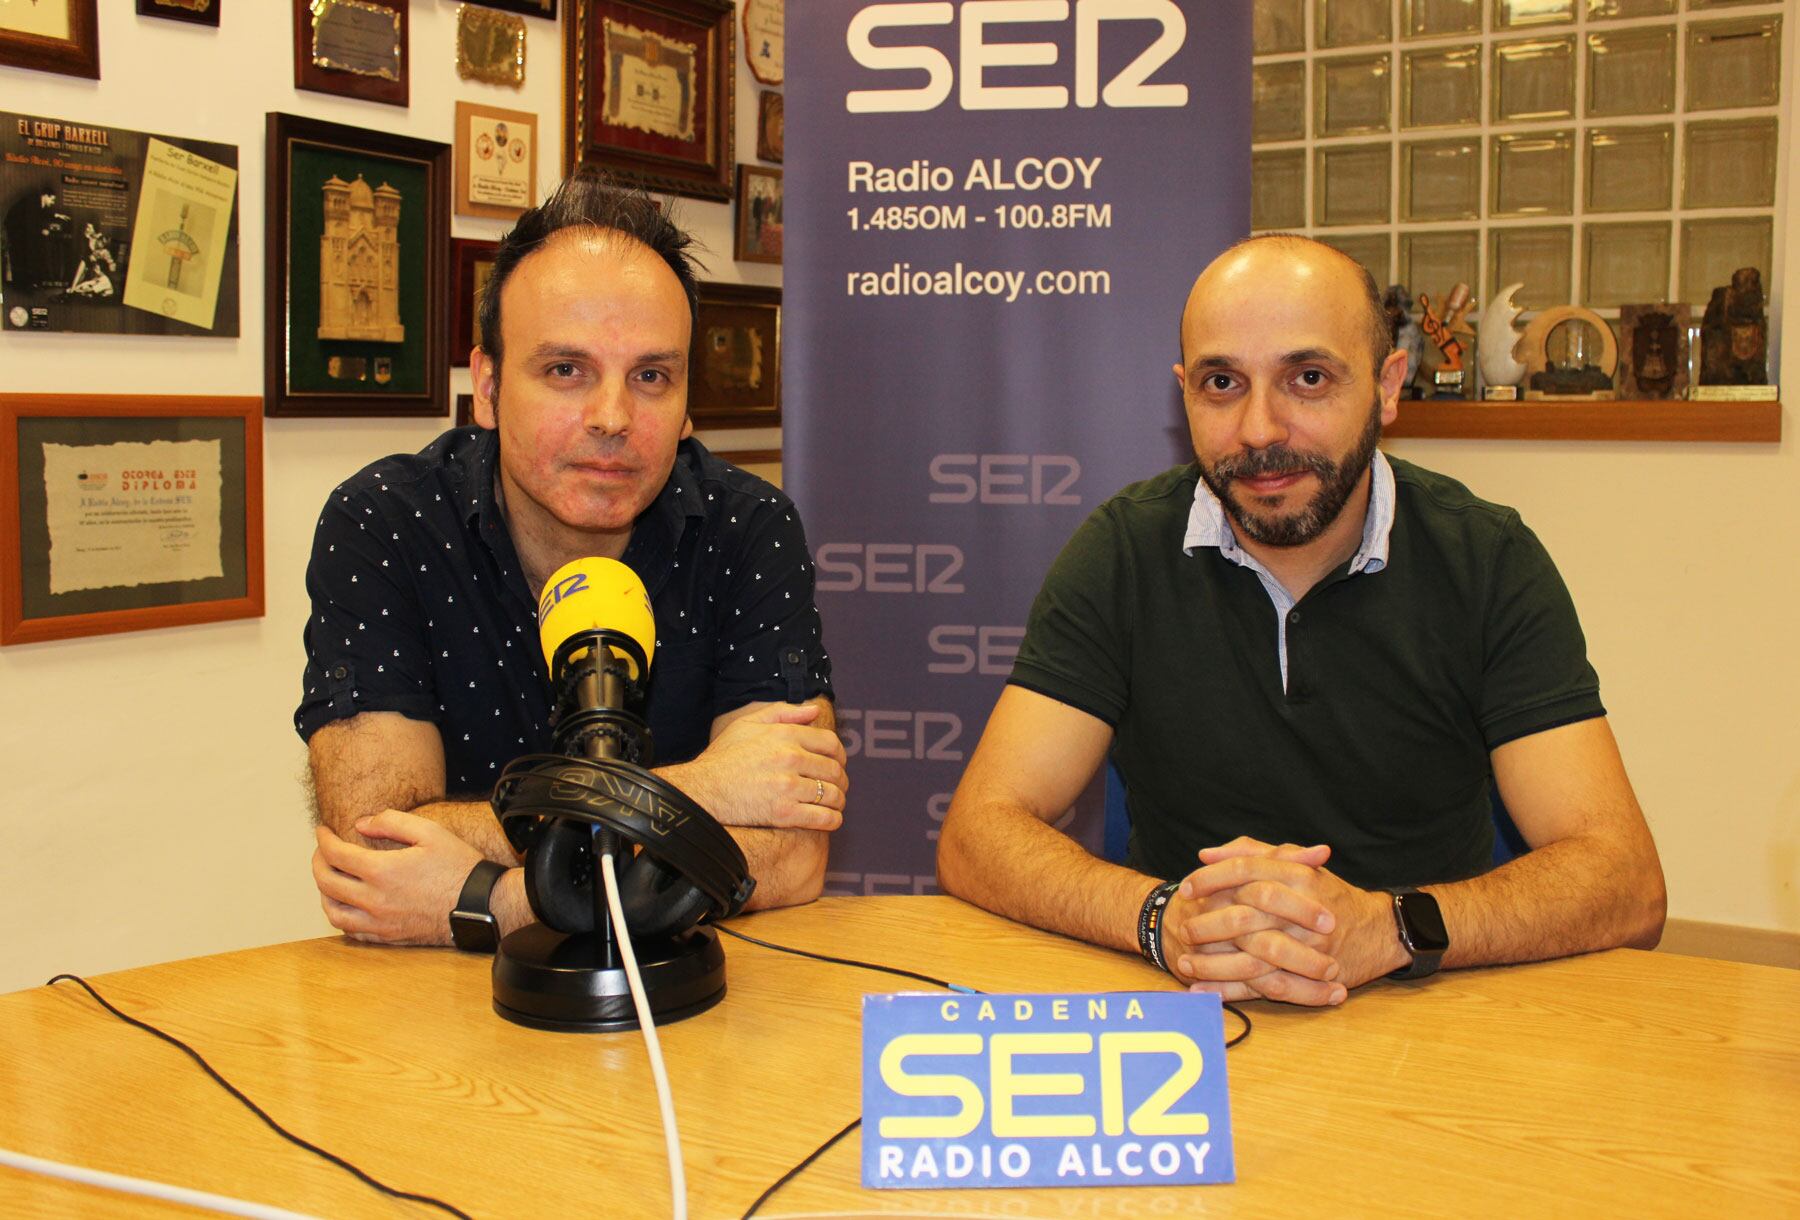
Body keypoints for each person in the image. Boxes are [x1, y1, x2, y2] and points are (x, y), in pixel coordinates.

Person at [936, 235, 1665, 1006]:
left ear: (1388, 386)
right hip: (1190, 1005)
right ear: (1183, 394)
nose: (1259, 429)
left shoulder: (1486, 559)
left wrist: (1388, 928)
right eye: (1222, 383)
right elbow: (978, 833)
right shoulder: (1124, 551)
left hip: (1430, 997)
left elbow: (1625, 880)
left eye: (1307, 378)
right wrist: (1161, 918)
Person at [299, 170, 846, 948]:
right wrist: (703, 789)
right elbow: (376, 849)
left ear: (689, 399)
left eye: (651, 376)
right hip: (435, 1015)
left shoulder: (749, 528)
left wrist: (496, 900)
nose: (613, 417)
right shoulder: (387, 522)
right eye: (566, 371)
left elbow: (793, 856)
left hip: (691, 1003)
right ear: (486, 386)